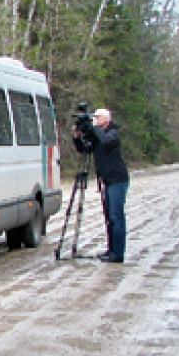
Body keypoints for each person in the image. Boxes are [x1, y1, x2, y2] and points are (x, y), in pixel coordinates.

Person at [73, 107, 129, 263]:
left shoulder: (113, 133)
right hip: (107, 181)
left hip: (118, 179)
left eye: (97, 117)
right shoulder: (99, 134)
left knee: (116, 216)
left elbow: (106, 141)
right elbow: (84, 149)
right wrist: (77, 137)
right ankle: (111, 250)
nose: (94, 120)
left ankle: (118, 253)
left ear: (106, 119)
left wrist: (95, 127)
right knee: (110, 217)